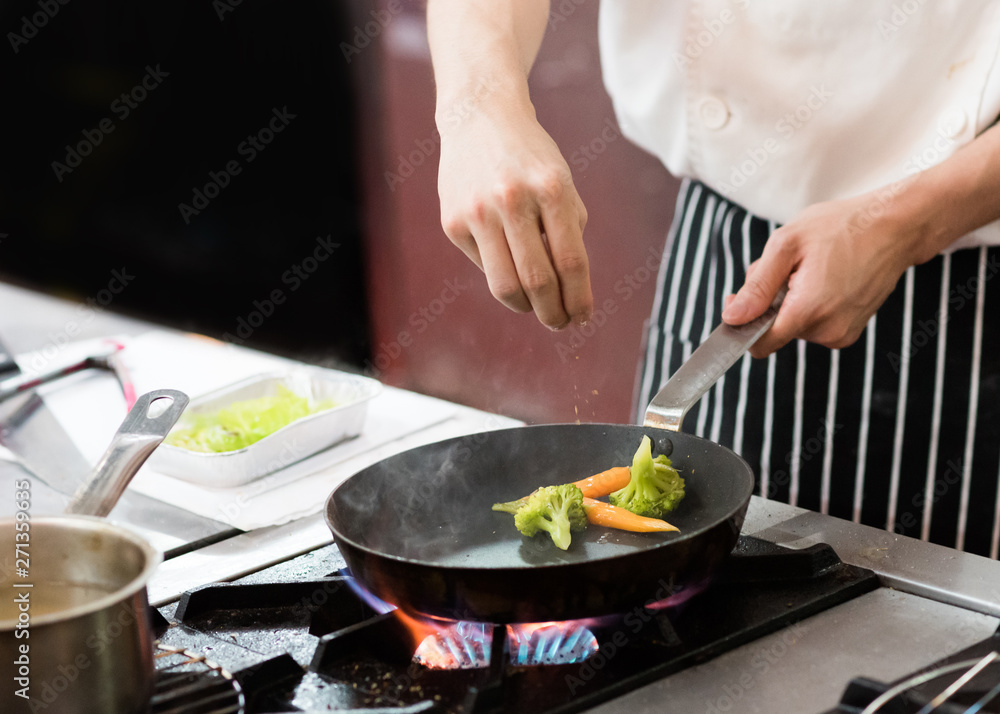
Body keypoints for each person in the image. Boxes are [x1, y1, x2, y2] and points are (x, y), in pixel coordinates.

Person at [427, 1, 1000, 558]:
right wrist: (479, 113)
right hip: (733, 247)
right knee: (677, 586)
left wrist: (906, 221)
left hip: (977, 268)